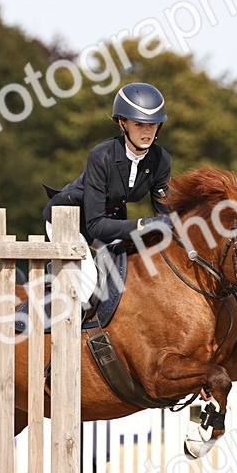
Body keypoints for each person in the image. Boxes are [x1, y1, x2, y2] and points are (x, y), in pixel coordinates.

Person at [43, 82, 173, 306]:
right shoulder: (101, 155)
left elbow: (165, 217)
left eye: (153, 124)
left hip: (110, 222)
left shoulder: (161, 160)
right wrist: (144, 224)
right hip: (69, 220)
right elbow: (95, 225)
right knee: (88, 285)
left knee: (134, 273)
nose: (147, 131)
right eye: (139, 124)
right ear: (123, 123)